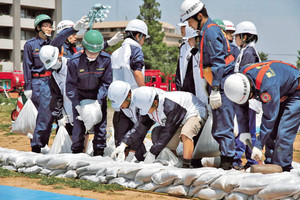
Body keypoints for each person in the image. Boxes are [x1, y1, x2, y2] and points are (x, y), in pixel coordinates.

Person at [180, 0, 236, 169]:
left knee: (223, 126)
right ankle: (226, 160)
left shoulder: (210, 32)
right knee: (219, 126)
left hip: (222, 84)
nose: (190, 25)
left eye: (190, 21)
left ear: (199, 16)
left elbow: (218, 63)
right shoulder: (208, 30)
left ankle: (227, 163)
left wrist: (216, 89)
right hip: (219, 83)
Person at [22, 14, 88, 153]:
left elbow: (62, 41)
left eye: (49, 25)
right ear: (38, 27)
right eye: (45, 25)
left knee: (62, 116)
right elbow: (27, 66)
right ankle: (37, 145)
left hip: (58, 82)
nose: (48, 28)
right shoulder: (33, 44)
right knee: (45, 115)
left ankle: (61, 144)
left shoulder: (61, 45)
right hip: (41, 81)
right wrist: (28, 87)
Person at [224, 60, 300, 172]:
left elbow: (269, 118)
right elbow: (242, 111)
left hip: (295, 92)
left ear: (250, 88)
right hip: (281, 91)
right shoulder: (239, 80)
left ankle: (282, 169)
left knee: (283, 132)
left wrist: (258, 145)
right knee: (272, 132)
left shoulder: (268, 87)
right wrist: (244, 133)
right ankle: (270, 165)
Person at [133, 86, 207, 168]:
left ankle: (186, 165)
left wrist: (152, 152)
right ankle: (172, 160)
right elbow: (141, 127)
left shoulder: (170, 105)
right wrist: (125, 144)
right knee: (162, 139)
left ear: (155, 102)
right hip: (179, 119)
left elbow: (169, 131)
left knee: (186, 133)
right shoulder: (152, 107)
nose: (147, 112)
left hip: (194, 112)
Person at [66, 29, 112, 156]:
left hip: (98, 97)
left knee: (100, 127)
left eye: (96, 52)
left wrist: (98, 102)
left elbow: (106, 82)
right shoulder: (74, 61)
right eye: (90, 52)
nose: (93, 55)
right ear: (84, 48)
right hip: (80, 97)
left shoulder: (106, 60)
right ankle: (76, 152)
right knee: (78, 127)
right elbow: (70, 85)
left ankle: (99, 152)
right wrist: (76, 105)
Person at [110, 19, 149, 153]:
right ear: (138, 36)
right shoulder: (135, 50)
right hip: (133, 100)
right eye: (144, 38)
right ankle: (140, 159)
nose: (144, 41)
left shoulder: (116, 53)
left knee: (121, 139)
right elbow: (137, 72)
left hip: (119, 104)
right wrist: (145, 91)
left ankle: (122, 163)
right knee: (135, 136)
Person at [232, 21, 261, 170]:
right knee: (245, 130)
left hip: (247, 99)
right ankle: (245, 159)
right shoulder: (245, 51)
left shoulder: (249, 53)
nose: (235, 38)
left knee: (247, 130)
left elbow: (245, 78)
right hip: (245, 98)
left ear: (245, 37)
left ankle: (246, 160)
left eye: (237, 36)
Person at [108, 81, 154, 162]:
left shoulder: (141, 101)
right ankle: (140, 159)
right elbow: (122, 132)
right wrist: (121, 146)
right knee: (126, 137)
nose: (120, 106)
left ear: (129, 95)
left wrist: (132, 152)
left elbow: (141, 129)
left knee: (155, 136)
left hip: (160, 122)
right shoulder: (123, 107)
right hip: (138, 126)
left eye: (121, 103)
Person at [56, 20, 124, 59]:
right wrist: (72, 29)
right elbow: (57, 40)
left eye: (75, 34)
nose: (75, 37)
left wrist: (108, 43)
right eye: (72, 34)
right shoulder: (56, 48)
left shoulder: (75, 49)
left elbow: (90, 50)